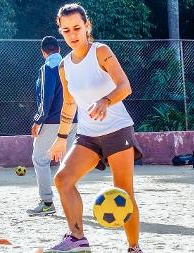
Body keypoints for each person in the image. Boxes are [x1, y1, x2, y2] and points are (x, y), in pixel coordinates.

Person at [45, 3, 143, 253]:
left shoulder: (101, 51)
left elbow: (125, 86)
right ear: (60, 31)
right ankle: (77, 238)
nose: (72, 34)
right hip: (87, 135)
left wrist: (105, 101)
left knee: (124, 191)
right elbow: (69, 103)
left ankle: (134, 248)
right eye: (66, 30)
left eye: (77, 27)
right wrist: (60, 138)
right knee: (63, 179)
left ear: (87, 26)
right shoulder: (63, 66)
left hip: (117, 130)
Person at [27, 36, 77, 216]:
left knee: (40, 158)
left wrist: (37, 120)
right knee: (67, 162)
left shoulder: (47, 68)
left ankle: (47, 202)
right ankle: (70, 201)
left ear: (43, 52)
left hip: (53, 121)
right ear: (59, 49)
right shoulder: (70, 65)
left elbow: (45, 98)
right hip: (73, 120)